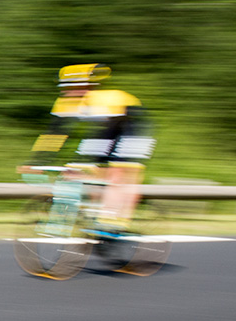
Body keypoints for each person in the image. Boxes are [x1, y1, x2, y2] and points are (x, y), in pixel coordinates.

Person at [21, 63, 154, 230]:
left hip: (133, 129)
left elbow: (111, 139)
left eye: (77, 87)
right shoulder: (64, 103)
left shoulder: (106, 99)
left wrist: (108, 168)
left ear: (89, 86)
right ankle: (92, 216)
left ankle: (115, 219)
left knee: (118, 173)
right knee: (75, 171)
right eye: (66, 88)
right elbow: (54, 135)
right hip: (106, 132)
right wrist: (37, 161)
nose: (70, 92)